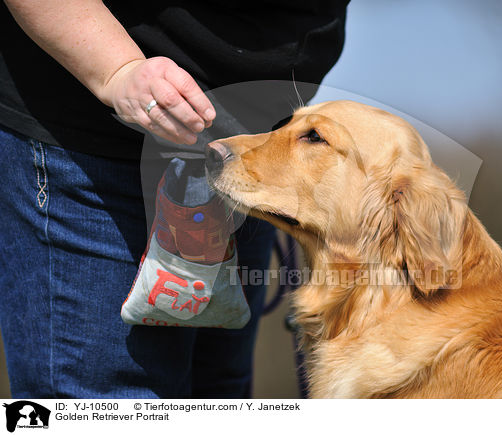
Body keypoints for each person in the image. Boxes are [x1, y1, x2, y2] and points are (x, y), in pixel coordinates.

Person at [0, 0, 349, 398]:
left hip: (248, 162)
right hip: (94, 141)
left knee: (218, 396)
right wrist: (118, 71)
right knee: (110, 403)